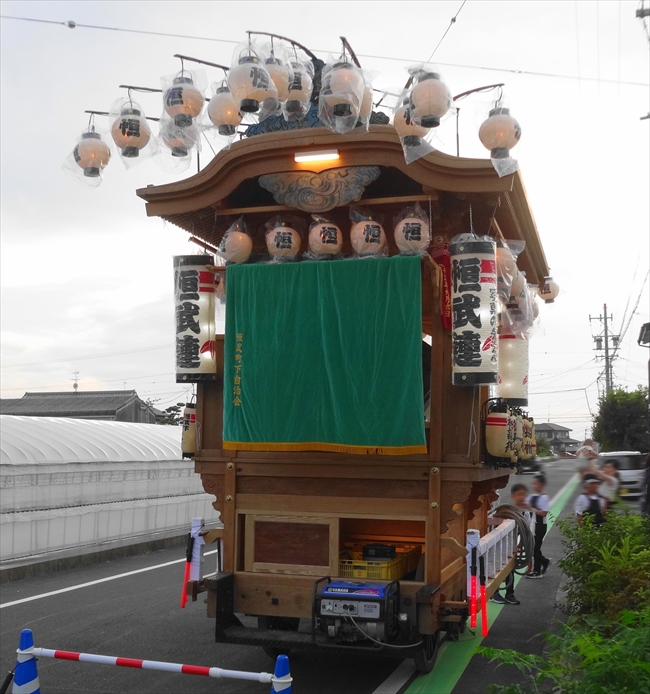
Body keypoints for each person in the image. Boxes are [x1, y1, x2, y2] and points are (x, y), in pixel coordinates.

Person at [491, 483, 533, 605]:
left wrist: (522, 543)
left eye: (524, 495)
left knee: (510, 569)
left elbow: (526, 529)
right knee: (497, 568)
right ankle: (495, 593)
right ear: (513, 496)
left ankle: (510, 594)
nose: (522, 497)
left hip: (513, 545)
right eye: (519, 494)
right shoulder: (504, 511)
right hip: (499, 545)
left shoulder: (525, 512)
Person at [525, 473, 551, 578]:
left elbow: (544, 513)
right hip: (532, 525)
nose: (534, 486)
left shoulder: (544, 498)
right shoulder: (532, 496)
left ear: (542, 484)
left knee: (535, 548)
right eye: (533, 483)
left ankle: (537, 571)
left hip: (540, 526)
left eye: (536, 483)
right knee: (533, 548)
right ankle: (544, 561)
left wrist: (533, 509)